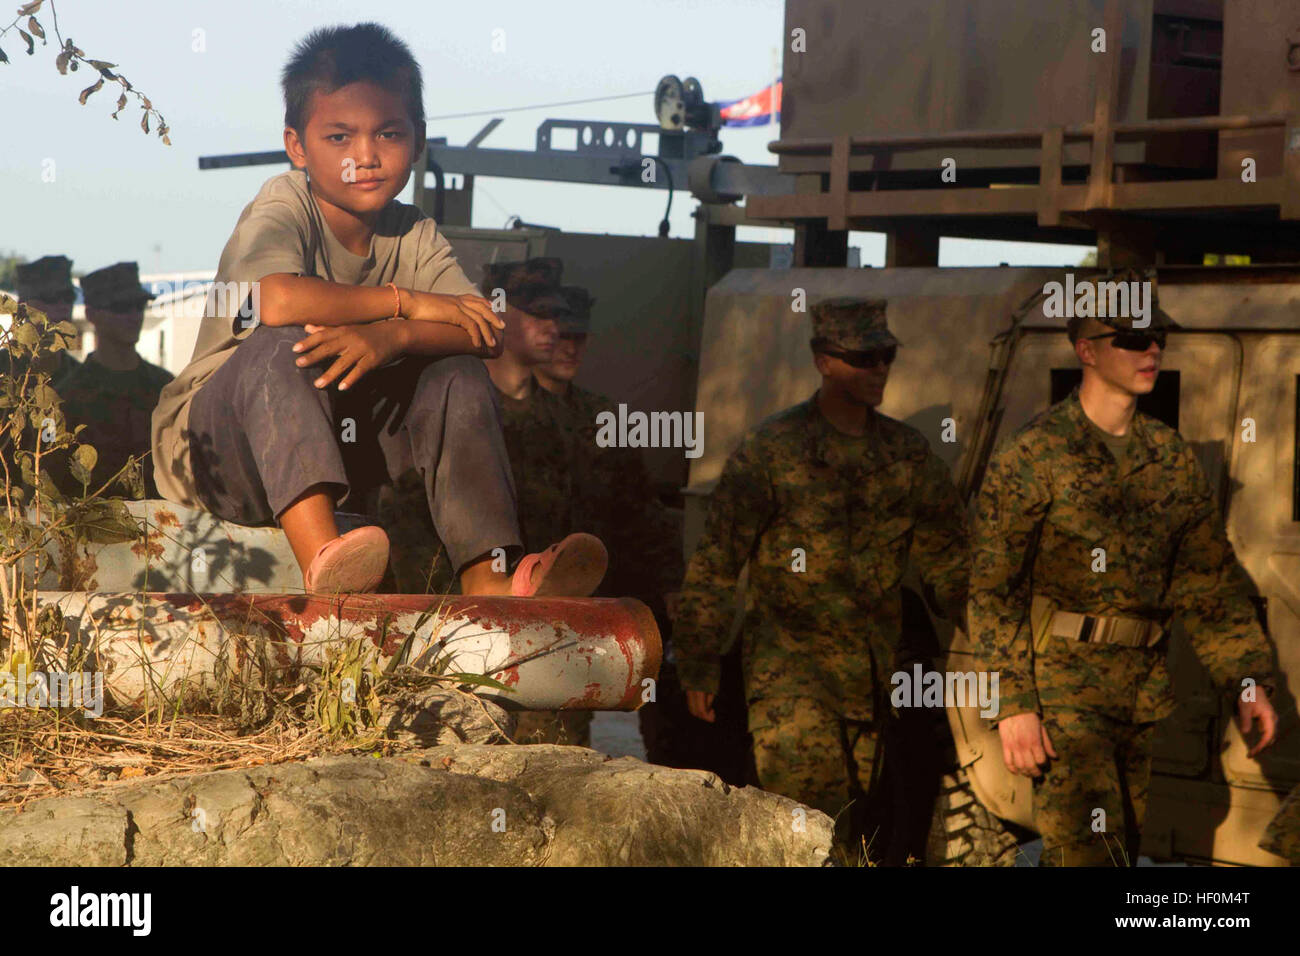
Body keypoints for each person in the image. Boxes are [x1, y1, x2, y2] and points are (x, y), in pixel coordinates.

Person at [150, 22, 605, 599]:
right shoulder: (283, 204)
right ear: (297, 146)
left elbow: (484, 331)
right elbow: (277, 298)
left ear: (418, 139)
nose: (364, 157)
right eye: (339, 138)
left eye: (388, 134)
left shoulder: (413, 232)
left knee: (457, 375)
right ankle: (325, 560)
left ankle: (489, 579)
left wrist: (391, 338)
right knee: (281, 342)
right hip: (219, 454)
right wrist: (405, 304)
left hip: (336, 440)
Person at [969, 289, 1279, 866]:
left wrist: (1247, 679)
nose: (1152, 350)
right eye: (1134, 339)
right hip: (1064, 696)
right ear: (1087, 350)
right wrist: (1012, 704)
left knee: (1125, 854)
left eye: (1159, 338)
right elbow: (993, 590)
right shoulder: (1034, 455)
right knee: (1089, 855)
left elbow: (1207, 582)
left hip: (1143, 696)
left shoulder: (1169, 456)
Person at [674, 297, 969, 859]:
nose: (879, 369)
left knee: (860, 832)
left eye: (886, 356)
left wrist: (993, 635)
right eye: (864, 358)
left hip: (875, 682)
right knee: (804, 831)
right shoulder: (772, 450)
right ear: (824, 360)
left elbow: (949, 563)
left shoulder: (907, 456)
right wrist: (699, 660)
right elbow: (718, 561)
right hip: (791, 681)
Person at [55, 261, 172, 498]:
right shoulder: (66, 398)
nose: (133, 316)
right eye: (120, 307)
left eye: (138, 305)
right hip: (91, 526)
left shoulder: (166, 388)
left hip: (163, 525)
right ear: (91, 314)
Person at [9, 254, 82, 384]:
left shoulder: (81, 377)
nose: (63, 306)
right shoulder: (5, 368)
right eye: (50, 298)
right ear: (23, 306)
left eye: (68, 297)